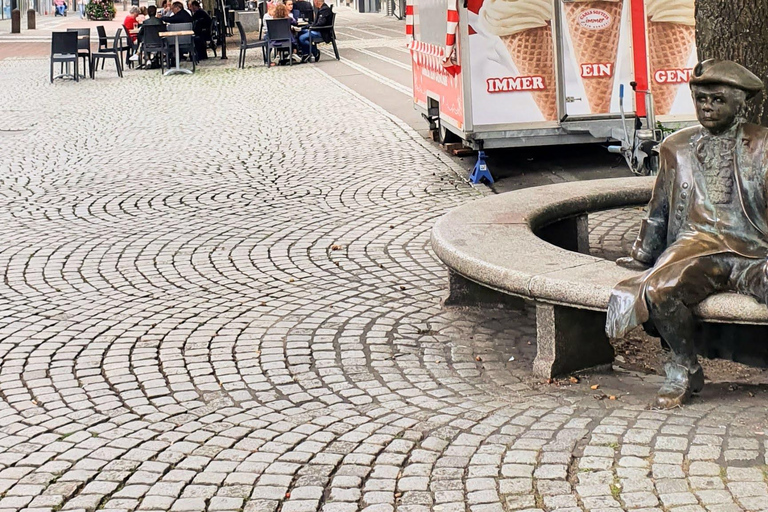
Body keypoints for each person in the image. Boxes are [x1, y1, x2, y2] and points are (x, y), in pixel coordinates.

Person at [606, 59, 768, 409]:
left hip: (755, 251)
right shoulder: (676, 148)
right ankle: (683, 366)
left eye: (717, 100)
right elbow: (659, 208)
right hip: (697, 246)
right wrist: (643, 255)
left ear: (739, 104)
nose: (707, 107)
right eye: (701, 100)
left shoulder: (762, 144)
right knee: (660, 288)